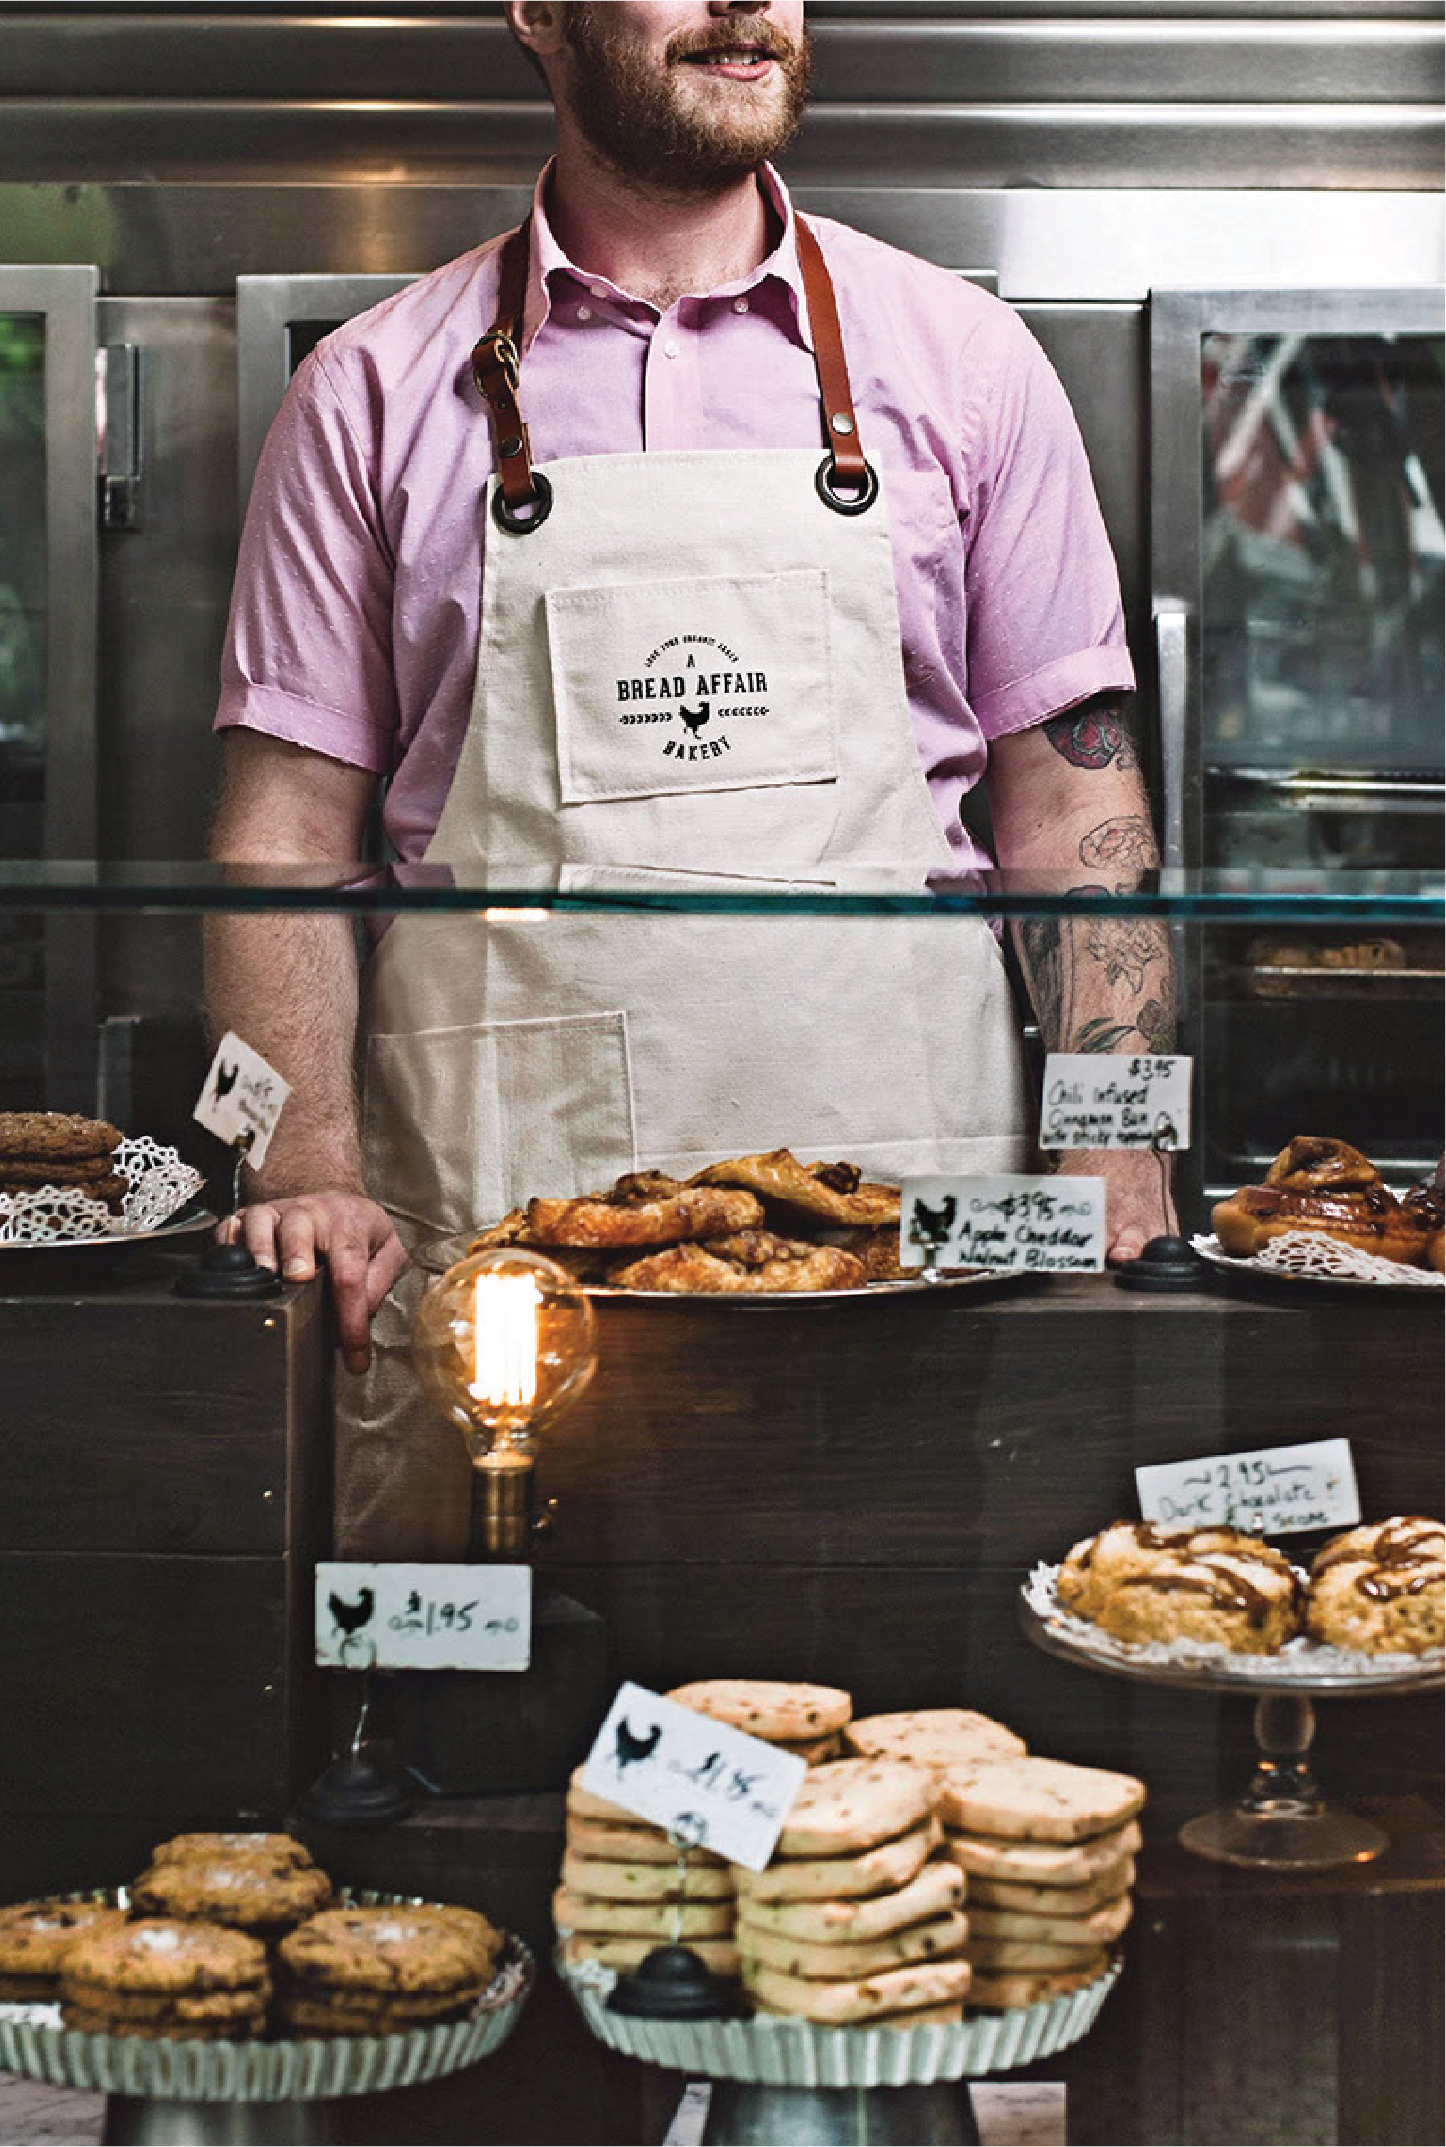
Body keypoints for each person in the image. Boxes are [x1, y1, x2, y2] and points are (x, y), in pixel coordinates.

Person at [207, 0, 1171, 1555]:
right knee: (505, 1707)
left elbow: (1071, 800)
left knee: (901, 1680)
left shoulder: (965, 361)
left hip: (901, 1189)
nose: (745, 4)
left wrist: (1114, 1132)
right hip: (511, 1192)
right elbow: (282, 831)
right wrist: (306, 1163)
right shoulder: (374, 392)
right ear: (537, 13)